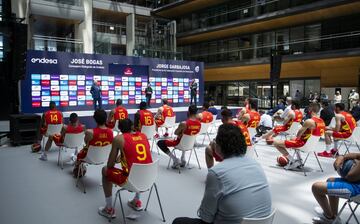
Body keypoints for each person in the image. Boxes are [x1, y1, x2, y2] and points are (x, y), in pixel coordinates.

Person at [173, 124, 272, 224]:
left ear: (219, 146)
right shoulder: (256, 164)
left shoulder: (217, 173)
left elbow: (206, 217)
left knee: (178, 222)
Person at [98, 119, 153, 218]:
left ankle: (109, 208)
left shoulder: (119, 139)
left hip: (131, 181)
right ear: (132, 126)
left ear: (119, 128)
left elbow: (110, 165)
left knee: (105, 170)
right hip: (149, 178)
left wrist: (117, 159)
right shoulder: (143, 136)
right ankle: (136, 200)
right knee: (139, 169)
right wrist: (123, 157)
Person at [273, 103, 325, 170]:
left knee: (276, 143)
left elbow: (299, 134)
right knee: (292, 138)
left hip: (302, 144)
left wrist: (292, 140)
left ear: (311, 109)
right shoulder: (322, 121)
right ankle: (299, 160)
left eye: (309, 107)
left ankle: (292, 161)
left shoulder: (309, 121)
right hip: (312, 146)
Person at [311, 152, 360, 223]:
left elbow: (350, 177)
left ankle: (328, 217)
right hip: (356, 184)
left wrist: (340, 170)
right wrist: (342, 158)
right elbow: (355, 155)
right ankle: (334, 217)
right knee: (330, 180)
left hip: (357, 191)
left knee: (316, 187)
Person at [73, 109, 114, 177]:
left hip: (89, 157)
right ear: (105, 118)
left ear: (95, 119)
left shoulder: (89, 132)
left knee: (79, 154)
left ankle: (78, 167)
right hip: (104, 157)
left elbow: (86, 143)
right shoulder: (111, 132)